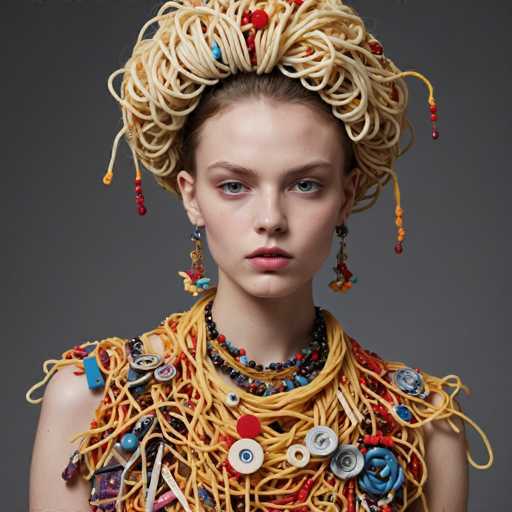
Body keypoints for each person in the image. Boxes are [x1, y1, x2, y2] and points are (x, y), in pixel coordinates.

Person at [26, 1, 494, 511]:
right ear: (190, 196)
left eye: (306, 184)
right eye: (234, 185)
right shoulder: (92, 401)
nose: (271, 217)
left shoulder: (424, 427)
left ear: (346, 194)